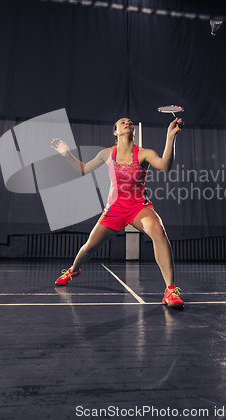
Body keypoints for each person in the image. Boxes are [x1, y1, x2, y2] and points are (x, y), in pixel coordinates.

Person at [51, 117, 184, 308]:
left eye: (130, 122)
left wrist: (170, 137)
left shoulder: (144, 154)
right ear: (115, 132)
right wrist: (66, 155)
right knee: (89, 248)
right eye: (122, 122)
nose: (127, 123)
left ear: (134, 131)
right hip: (114, 209)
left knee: (158, 231)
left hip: (139, 207)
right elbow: (83, 169)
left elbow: (164, 165)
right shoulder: (106, 154)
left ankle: (170, 290)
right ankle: (73, 270)